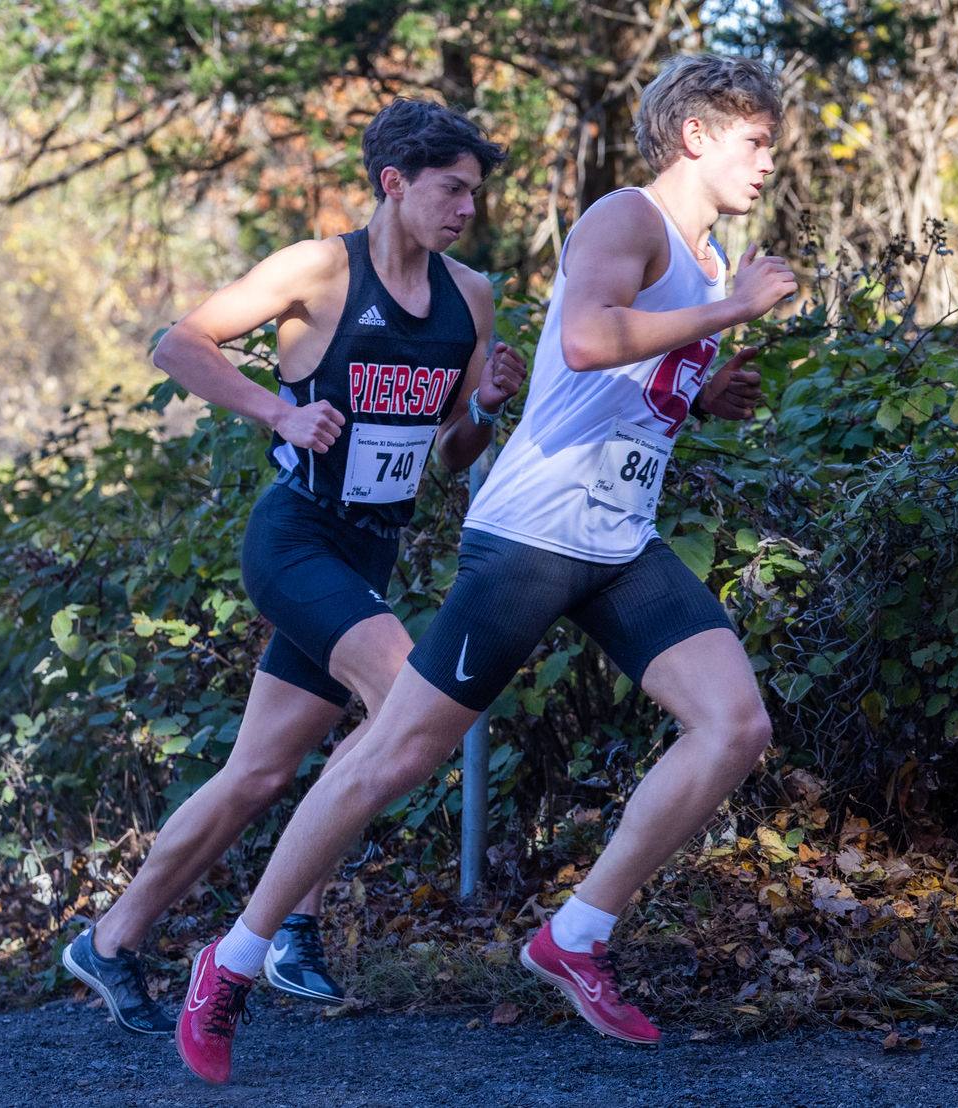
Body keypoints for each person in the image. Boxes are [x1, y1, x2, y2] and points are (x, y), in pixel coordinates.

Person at [176, 52, 795, 1084]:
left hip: (619, 536)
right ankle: (233, 956)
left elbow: (627, 385)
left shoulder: (711, 256)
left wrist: (701, 389)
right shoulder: (624, 219)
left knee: (736, 723)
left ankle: (576, 935)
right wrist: (726, 318)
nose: (769, 162)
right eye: (756, 140)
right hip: (535, 534)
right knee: (392, 755)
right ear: (697, 134)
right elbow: (592, 338)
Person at [61, 99, 527, 1039]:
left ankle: (108, 942)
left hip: (371, 552)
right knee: (405, 697)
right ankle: (287, 930)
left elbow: (450, 451)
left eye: (474, 192)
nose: (466, 208)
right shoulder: (320, 268)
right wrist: (277, 413)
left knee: (259, 773)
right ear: (394, 183)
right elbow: (178, 344)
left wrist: (482, 403)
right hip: (298, 536)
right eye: (450, 188)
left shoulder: (469, 297)